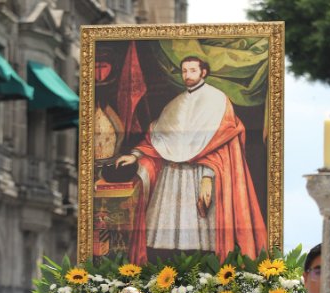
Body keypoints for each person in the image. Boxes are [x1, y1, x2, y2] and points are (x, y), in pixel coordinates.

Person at [114, 55, 267, 263]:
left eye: (192, 70)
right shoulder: (175, 104)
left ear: (203, 72)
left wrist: (207, 176)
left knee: (202, 241)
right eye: (184, 71)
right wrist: (135, 155)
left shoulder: (218, 100)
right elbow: (156, 139)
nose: (187, 75)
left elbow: (219, 144)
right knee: (169, 243)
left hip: (202, 175)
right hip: (173, 178)